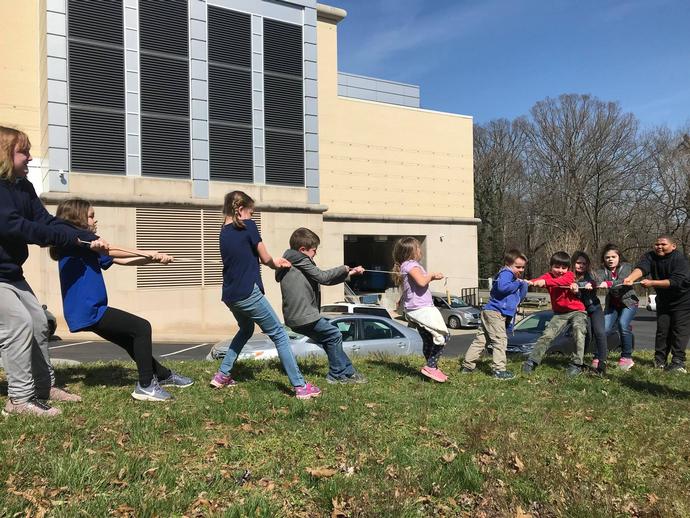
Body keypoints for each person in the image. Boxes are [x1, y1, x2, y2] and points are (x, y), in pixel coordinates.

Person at [0, 126, 109, 417]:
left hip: (11, 273)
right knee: (18, 324)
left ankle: (43, 386)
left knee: (38, 322)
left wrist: (85, 238)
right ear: (6, 153)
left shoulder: (23, 187)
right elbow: (14, 226)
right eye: (24, 151)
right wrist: (67, 239)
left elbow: (46, 221)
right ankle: (19, 400)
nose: (31, 158)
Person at [50, 198, 193, 402]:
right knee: (142, 327)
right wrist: (147, 253)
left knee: (130, 339)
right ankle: (145, 386)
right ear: (77, 218)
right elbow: (112, 250)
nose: (94, 220)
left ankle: (163, 375)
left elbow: (121, 259)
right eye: (90, 216)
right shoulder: (72, 243)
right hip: (89, 310)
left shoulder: (88, 245)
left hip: (93, 308)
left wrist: (153, 258)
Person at [209, 191, 321, 399]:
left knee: (246, 328)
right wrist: (275, 263)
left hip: (230, 295)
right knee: (279, 333)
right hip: (248, 293)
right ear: (241, 210)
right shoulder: (248, 226)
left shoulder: (222, 232)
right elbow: (265, 257)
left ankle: (222, 374)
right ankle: (300, 386)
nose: (252, 217)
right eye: (251, 212)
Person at [276, 227, 367, 384]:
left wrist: (350, 274)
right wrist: (344, 267)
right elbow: (323, 277)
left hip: (296, 317)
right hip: (303, 315)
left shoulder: (294, 261)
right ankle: (336, 375)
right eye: (314, 250)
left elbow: (322, 280)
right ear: (302, 249)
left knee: (329, 339)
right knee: (334, 335)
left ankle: (348, 372)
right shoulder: (300, 260)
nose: (315, 253)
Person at [624, 235, 690, 372]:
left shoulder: (680, 260)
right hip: (663, 301)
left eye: (663, 244)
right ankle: (659, 361)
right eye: (657, 244)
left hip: (682, 301)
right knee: (662, 331)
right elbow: (642, 268)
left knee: (679, 331)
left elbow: (675, 281)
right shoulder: (651, 256)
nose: (659, 247)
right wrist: (630, 278)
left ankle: (678, 362)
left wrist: (652, 283)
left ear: (673, 246)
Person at [461, 249, 528, 380]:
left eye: (523, 267)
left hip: (491, 311)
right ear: (508, 264)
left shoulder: (514, 279)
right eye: (518, 267)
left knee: (481, 340)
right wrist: (518, 283)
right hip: (495, 312)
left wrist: (523, 284)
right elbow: (503, 288)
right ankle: (499, 370)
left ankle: (467, 366)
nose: (521, 270)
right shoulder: (506, 274)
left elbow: (520, 297)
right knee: (500, 340)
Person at [392, 237, 450, 382]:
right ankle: (431, 367)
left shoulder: (406, 265)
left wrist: (401, 300)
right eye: (418, 248)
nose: (420, 250)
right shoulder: (412, 265)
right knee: (443, 336)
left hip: (414, 308)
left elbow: (409, 287)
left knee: (429, 339)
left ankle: (432, 369)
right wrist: (432, 276)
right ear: (411, 251)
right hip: (422, 309)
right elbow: (421, 281)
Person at [522, 251, 588, 376]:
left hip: (577, 311)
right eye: (557, 267)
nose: (560, 270)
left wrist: (545, 283)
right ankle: (532, 361)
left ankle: (577, 364)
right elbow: (540, 280)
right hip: (559, 314)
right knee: (547, 335)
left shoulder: (569, 276)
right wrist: (530, 282)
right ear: (551, 267)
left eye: (564, 267)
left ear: (568, 268)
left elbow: (561, 282)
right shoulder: (548, 276)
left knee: (579, 331)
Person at [596, 244, 638, 371]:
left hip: (629, 302)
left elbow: (622, 281)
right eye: (607, 257)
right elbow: (597, 280)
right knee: (604, 329)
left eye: (613, 256)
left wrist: (608, 283)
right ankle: (598, 356)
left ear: (619, 257)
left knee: (623, 324)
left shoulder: (626, 267)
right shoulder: (601, 271)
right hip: (612, 304)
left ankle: (626, 357)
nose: (610, 259)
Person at [570, 251, 607, 376]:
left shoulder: (591, 274)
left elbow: (594, 281)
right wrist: (575, 287)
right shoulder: (570, 276)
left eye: (584, 263)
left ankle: (602, 365)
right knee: (586, 336)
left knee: (600, 333)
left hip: (594, 308)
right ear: (573, 263)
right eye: (578, 263)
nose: (581, 266)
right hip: (581, 311)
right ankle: (578, 362)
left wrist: (588, 284)